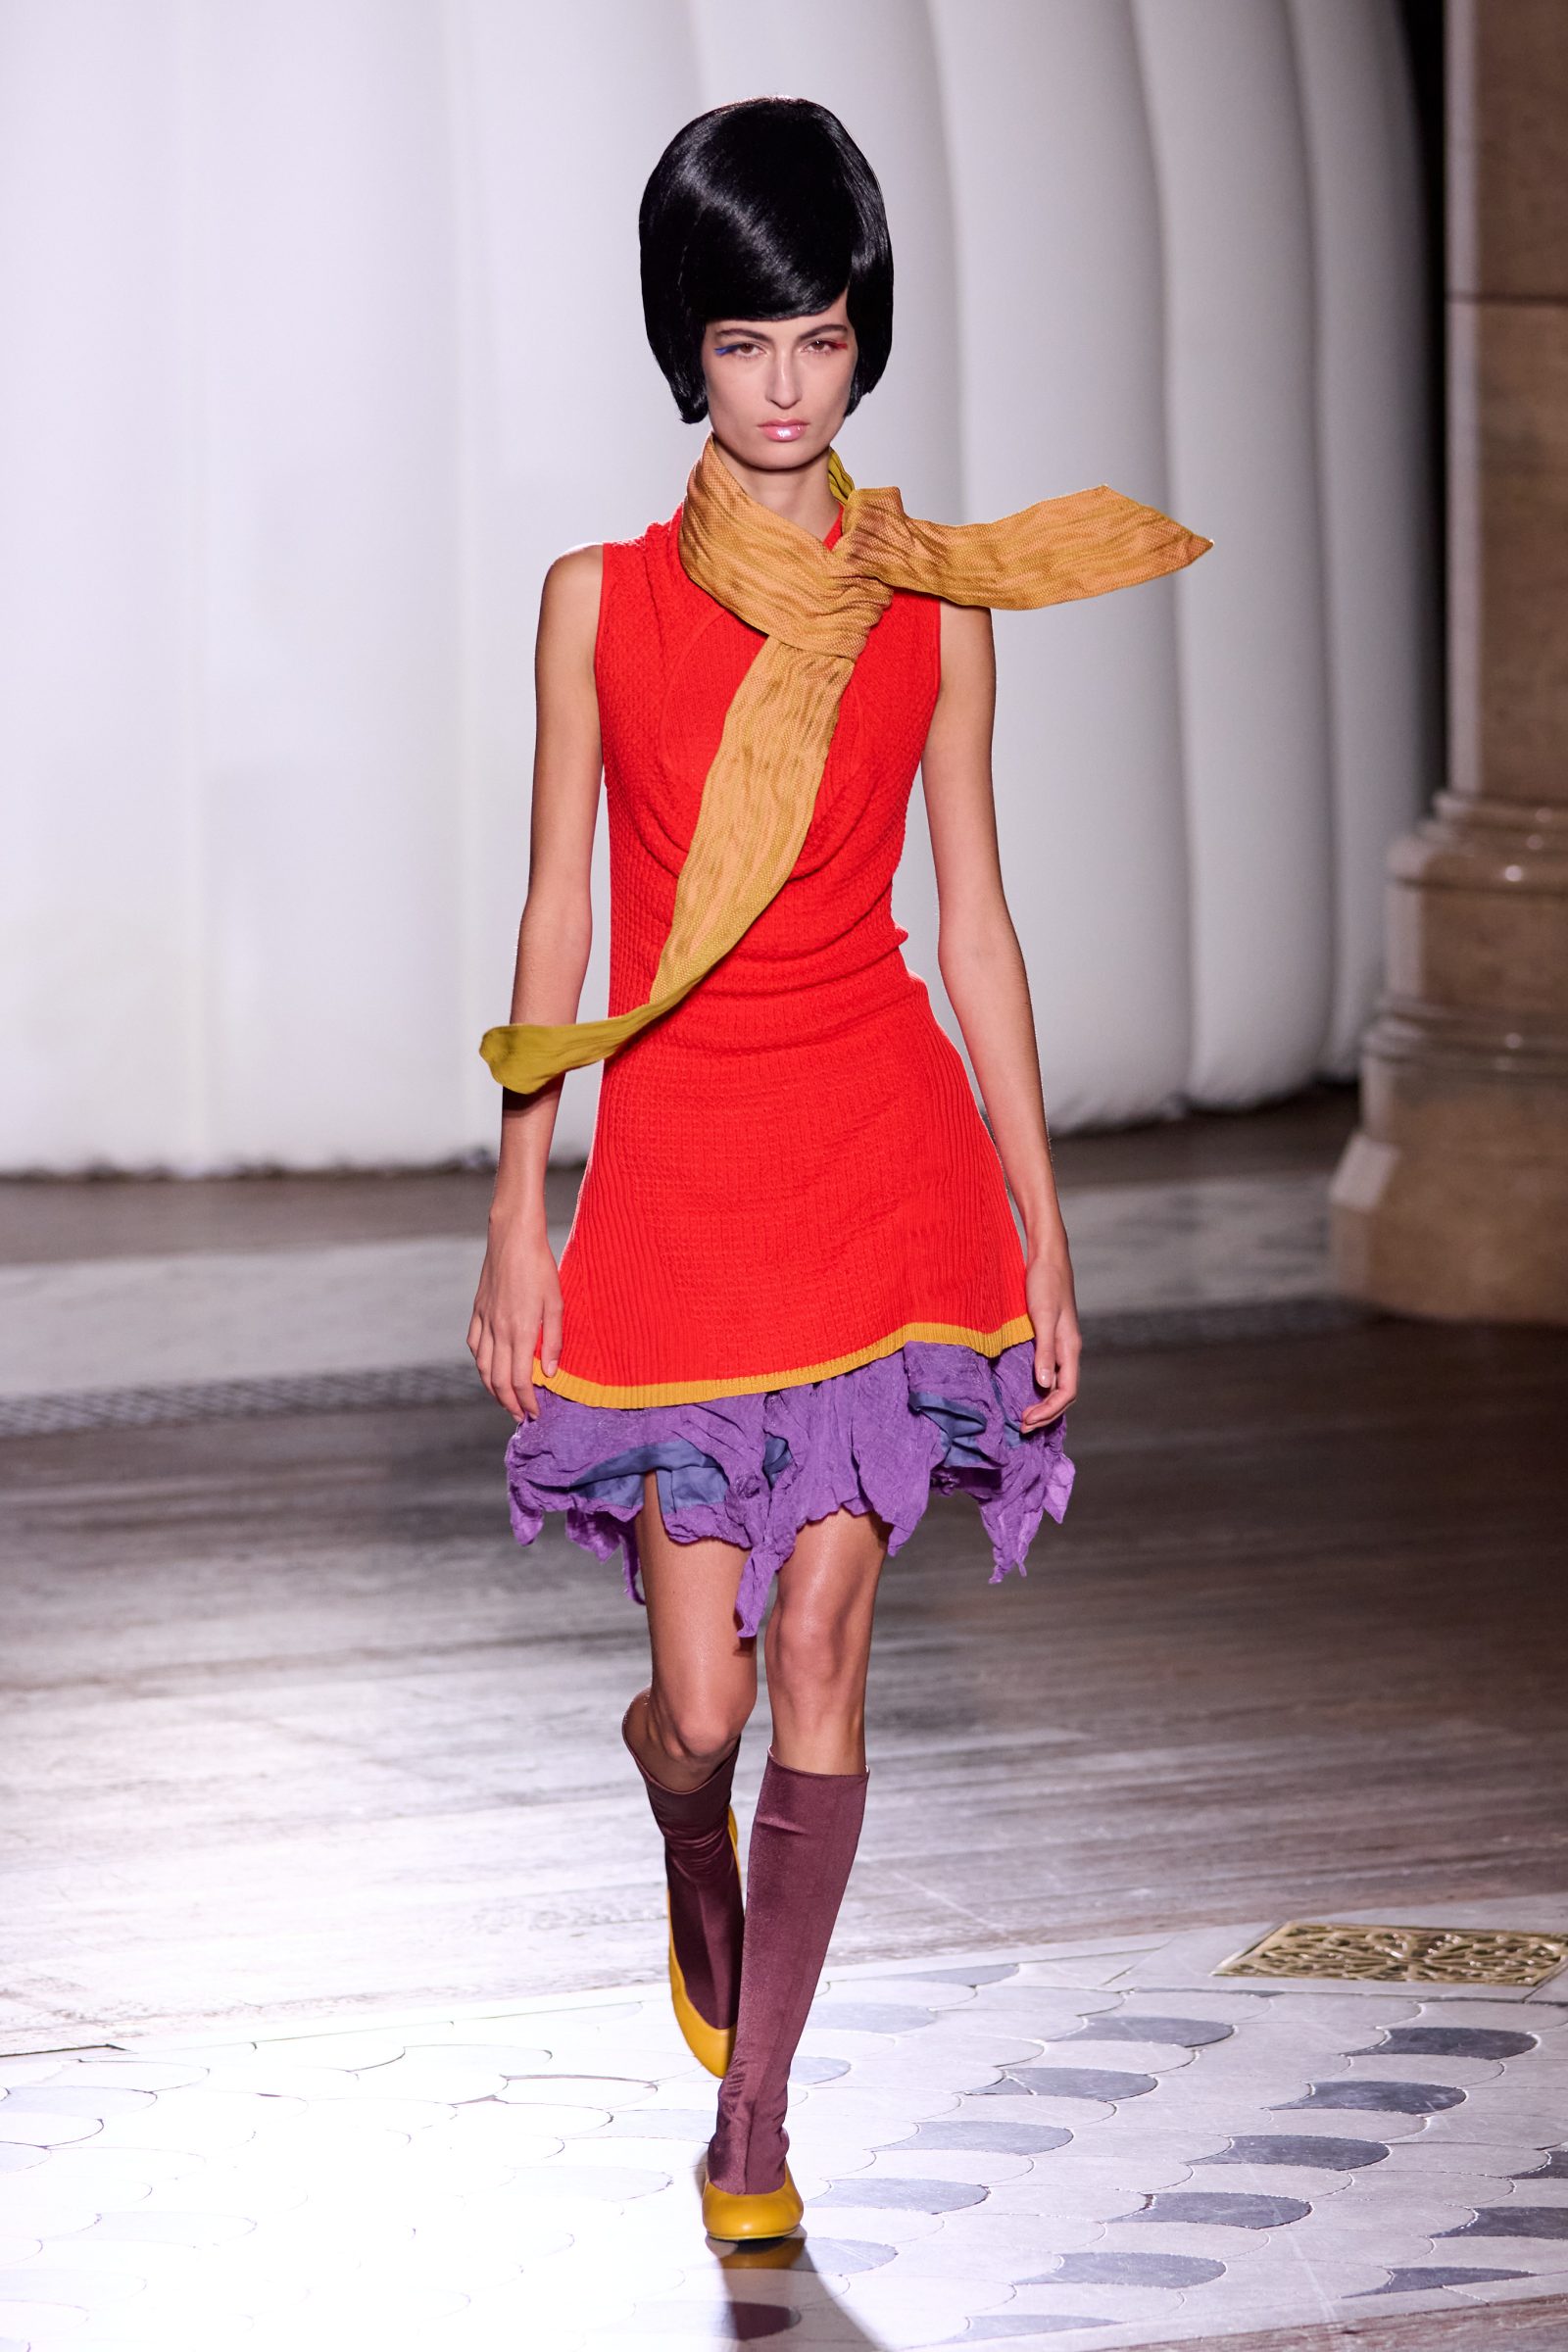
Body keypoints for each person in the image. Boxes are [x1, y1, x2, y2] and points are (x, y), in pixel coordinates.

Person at [466, 95, 1209, 2242]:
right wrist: (517, 1208)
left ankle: (756, 2124)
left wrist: (1042, 1230)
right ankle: (674, 1817)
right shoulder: (594, 606)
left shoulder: (934, 610)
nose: (784, 388)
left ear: (864, 336)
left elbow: (973, 928)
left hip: (883, 1157)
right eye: (742, 343)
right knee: (699, 1705)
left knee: (817, 1643)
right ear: (683, 351)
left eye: (816, 338)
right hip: (683, 1164)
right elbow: (556, 920)